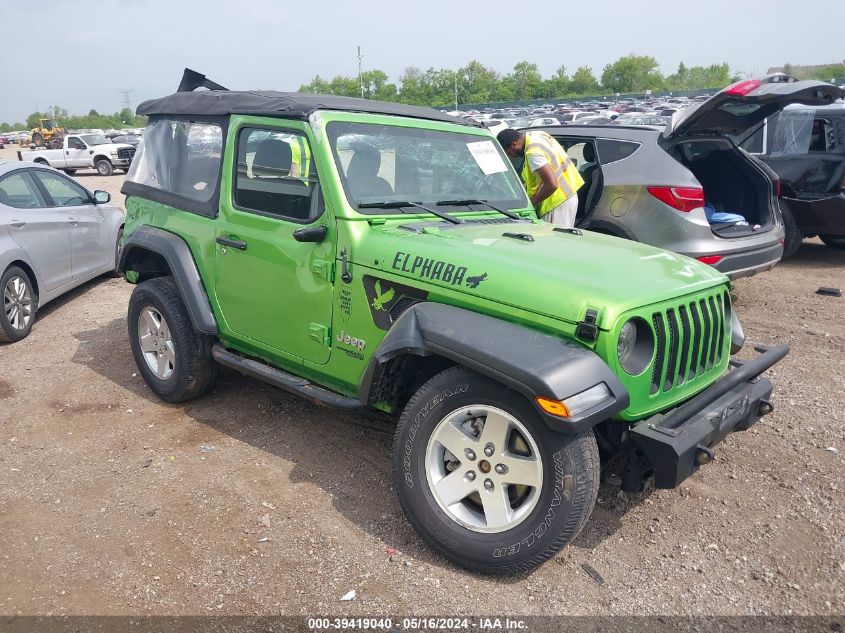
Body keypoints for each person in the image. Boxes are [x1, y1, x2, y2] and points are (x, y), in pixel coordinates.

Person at [497, 128, 584, 227]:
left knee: (553, 238)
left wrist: (531, 204)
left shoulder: (533, 153)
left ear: (514, 144)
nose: (511, 157)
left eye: (509, 153)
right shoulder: (538, 135)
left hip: (555, 201)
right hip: (568, 194)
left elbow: (552, 185)